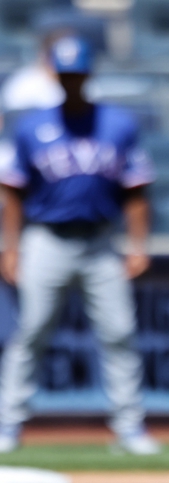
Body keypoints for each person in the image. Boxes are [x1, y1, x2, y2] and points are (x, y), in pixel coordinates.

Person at [0, 35, 159, 455]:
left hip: (100, 241)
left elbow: (136, 190)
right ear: (55, 74)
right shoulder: (32, 126)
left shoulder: (118, 124)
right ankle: (8, 425)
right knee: (30, 331)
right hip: (45, 238)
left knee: (120, 332)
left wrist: (138, 244)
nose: (72, 81)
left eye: (78, 74)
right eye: (65, 74)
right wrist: (10, 247)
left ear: (88, 74)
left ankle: (129, 428)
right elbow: (12, 191)